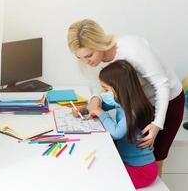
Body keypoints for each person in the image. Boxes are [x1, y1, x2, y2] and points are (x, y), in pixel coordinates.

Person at [67, 19, 185, 176]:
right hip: (139, 104)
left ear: (99, 44)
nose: (86, 62)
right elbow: (101, 84)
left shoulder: (132, 49)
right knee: (132, 155)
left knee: (155, 159)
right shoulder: (97, 60)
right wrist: (95, 101)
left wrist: (157, 124)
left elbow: (162, 84)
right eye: (79, 58)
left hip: (167, 102)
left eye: (88, 55)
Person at [78, 60, 158, 188]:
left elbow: (116, 133)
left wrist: (100, 113)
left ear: (120, 87)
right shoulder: (121, 100)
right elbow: (101, 105)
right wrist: (85, 108)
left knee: (96, 178)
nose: (103, 93)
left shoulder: (133, 110)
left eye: (106, 89)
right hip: (128, 163)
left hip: (141, 171)